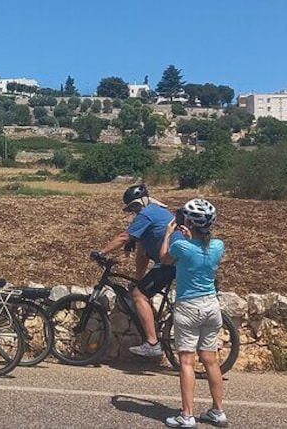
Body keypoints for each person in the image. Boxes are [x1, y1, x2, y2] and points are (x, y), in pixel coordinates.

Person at [159, 199, 227, 428]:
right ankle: (218, 411)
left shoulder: (180, 246)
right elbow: (201, 253)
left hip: (189, 305)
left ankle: (187, 415)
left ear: (188, 221)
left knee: (186, 361)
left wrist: (169, 235)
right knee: (210, 360)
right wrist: (190, 237)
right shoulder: (218, 246)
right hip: (211, 305)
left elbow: (164, 258)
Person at [95, 183, 178, 358]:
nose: (134, 210)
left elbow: (124, 237)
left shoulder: (147, 215)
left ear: (143, 202)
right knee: (140, 291)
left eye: (135, 206)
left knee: (139, 296)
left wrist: (101, 252)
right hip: (176, 261)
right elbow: (142, 255)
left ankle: (152, 343)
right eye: (132, 208)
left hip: (169, 264)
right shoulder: (155, 212)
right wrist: (138, 280)